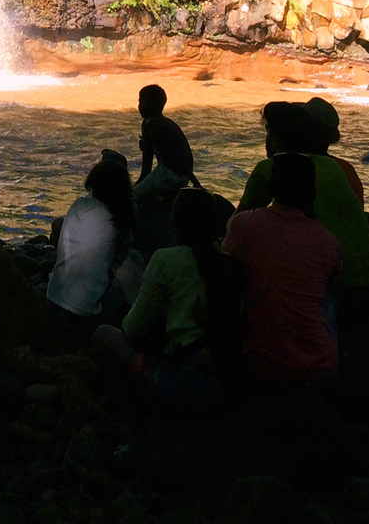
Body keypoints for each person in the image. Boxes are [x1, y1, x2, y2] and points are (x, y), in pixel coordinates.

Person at [96, 187, 240, 407]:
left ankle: (138, 432)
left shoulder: (166, 259)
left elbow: (133, 328)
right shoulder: (228, 263)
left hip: (182, 382)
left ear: (176, 222)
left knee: (103, 334)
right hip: (230, 381)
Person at [238, 101, 369, 294]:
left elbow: (236, 224)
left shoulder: (271, 168)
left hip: (335, 285)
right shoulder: (336, 168)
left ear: (275, 138)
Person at [223, 154, 342, 385]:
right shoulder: (328, 241)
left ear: (271, 188)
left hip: (262, 364)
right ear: (311, 191)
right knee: (326, 295)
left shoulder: (244, 225)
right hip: (321, 368)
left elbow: (226, 258)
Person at [46, 153, 137, 331]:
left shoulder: (78, 204)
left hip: (53, 299)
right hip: (84, 316)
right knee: (127, 274)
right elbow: (126, 244)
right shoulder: (115, 220)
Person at [132, 84, 201, 255]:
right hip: (171, 173)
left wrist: (194, 181)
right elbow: (148, 165)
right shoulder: (159, 123)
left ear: (154, 105)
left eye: (142, 102)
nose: (139, 106)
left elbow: (175, 160)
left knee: (133, 197)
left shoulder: (154, 125)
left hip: (170, 174)